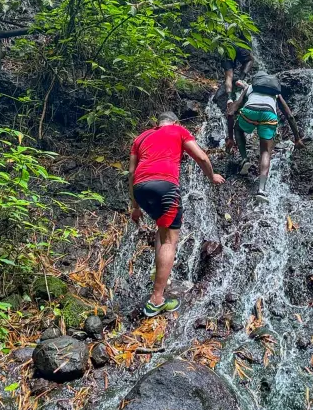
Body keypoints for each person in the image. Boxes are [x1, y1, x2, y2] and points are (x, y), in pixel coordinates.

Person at [129, 111, 225, 316]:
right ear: (175, 122)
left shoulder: (141, 137)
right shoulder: (178, 130)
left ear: (158, 123)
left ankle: (159, 277)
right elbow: (200, 156)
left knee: (161, 231)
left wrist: (135, 206)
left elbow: (131, 171)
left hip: (140, 186)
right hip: (165, 185)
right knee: (170, 241)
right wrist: (211, 176)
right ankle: (156, 300)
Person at [228, 71, 302, 200]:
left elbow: (233, 111)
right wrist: (297, 139)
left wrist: (230, 138)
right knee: (265, 152)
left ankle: (245, 158)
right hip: (269, 115)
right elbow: (289, 115)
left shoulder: (250, 87)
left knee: (238, 129)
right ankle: (261, 189)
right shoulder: (275, 93)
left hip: (250, 112)